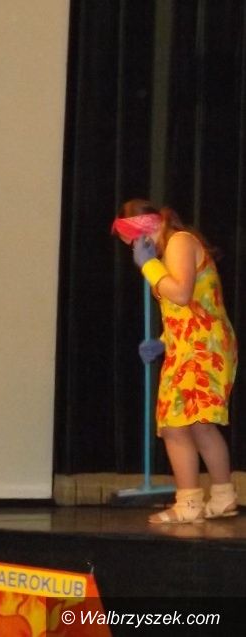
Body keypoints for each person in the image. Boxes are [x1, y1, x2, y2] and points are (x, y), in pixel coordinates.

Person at [112, 199, 238, 524]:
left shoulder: (179, 242)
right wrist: (163, 342)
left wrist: (149, 267)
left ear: (143, 231)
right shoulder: (169, 250)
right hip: (190, 345)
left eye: (132, 242)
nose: (133, 250)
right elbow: (187, 308)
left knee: (176, 425)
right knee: (197, 425)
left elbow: (181, 293)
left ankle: (189, 503)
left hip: (202, 347)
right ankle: (222, 496)